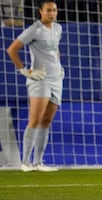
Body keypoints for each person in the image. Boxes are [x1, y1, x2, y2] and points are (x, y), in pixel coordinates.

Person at [6, 0, 63, 172]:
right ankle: (25, 162)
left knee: (46, 121)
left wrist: (59, 66)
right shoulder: (34, 30)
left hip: (56, 79)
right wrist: (25, 71)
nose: (52, 13)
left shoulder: (58, 28)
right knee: (35, 120)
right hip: (40, 79)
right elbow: (12, 49)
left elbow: (55, 50)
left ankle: (38, 162)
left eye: (54, 10)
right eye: (48, 10)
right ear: (40, 11)